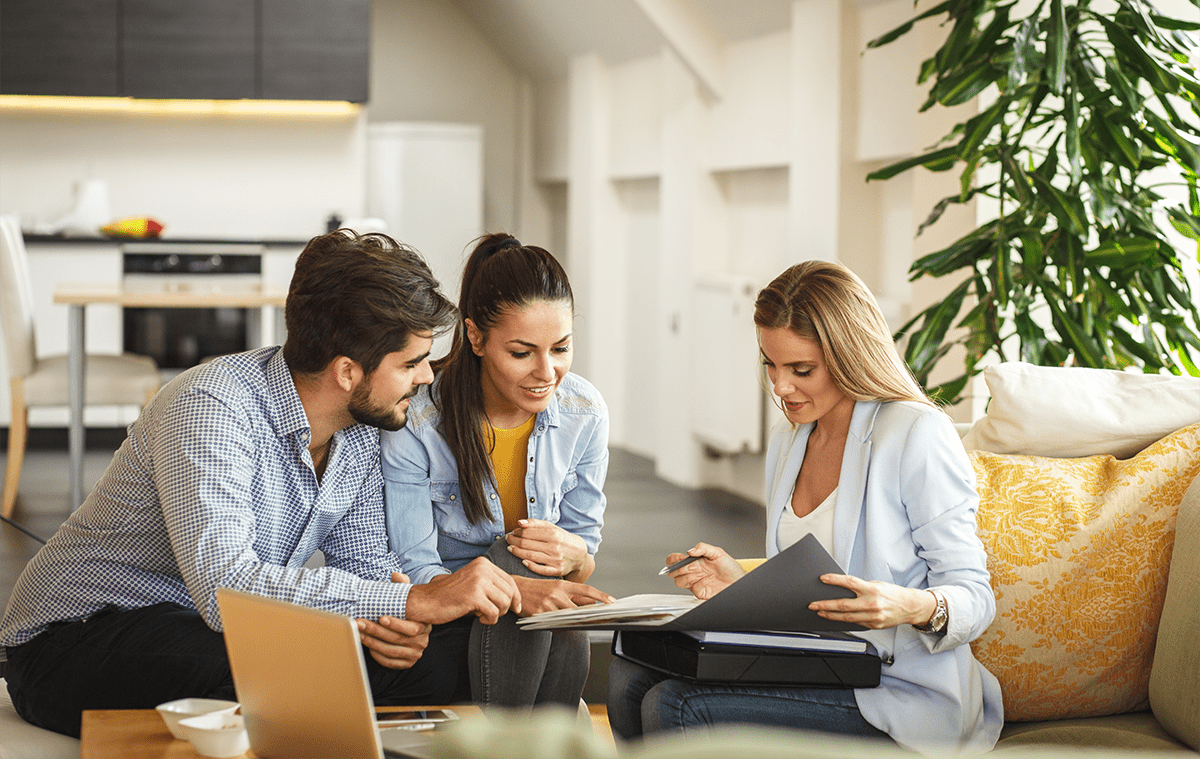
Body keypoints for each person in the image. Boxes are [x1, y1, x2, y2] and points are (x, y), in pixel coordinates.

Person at [0, 230, 522, 738]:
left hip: (208, 629)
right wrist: (411, 604)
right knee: (278, 666)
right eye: (411, 363)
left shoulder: (364, 428)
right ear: (346, 371)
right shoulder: (211, 406)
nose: (428, 376)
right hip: (73, 639)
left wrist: (393, 621)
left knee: (436, 663)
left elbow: (366, 567)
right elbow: (224, 587)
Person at [607, 260, 1003, 754]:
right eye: (770, 363)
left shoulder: (915, 434)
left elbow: (975, 598)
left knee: (677, 704)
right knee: (627, 676)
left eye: (801, 370)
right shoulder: (790, 439)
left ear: (850, 355)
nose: (779, 386)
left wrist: (909, 605)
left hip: (897, 691)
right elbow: (812, 582)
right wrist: (740, 582)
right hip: (818, 666)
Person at [381, 233, 612, 710]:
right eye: (522, 353)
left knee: (539, 572)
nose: (547, 372)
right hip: (451, 615)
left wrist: (573, 555)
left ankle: (527, 740)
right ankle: (546, 735)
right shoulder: (419, 421)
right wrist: (514, 588)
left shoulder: (584, 412)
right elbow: (415, 568)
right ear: (476, 337)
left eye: (561, 348)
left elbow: (582, 560)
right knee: (511, 559)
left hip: (537, 618)